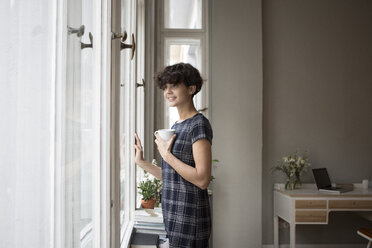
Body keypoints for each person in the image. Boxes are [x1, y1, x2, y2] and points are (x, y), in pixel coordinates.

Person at [134, 63, 213, 248]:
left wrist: (166, 155)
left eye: (174, 85)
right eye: (165, 87)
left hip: (190, 217)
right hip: (173, 215)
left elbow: (202, 179)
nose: (168, 91)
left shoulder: (198, 124)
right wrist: (141, 162)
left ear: (191, 89)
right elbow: (171, 176)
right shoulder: (177, 126)